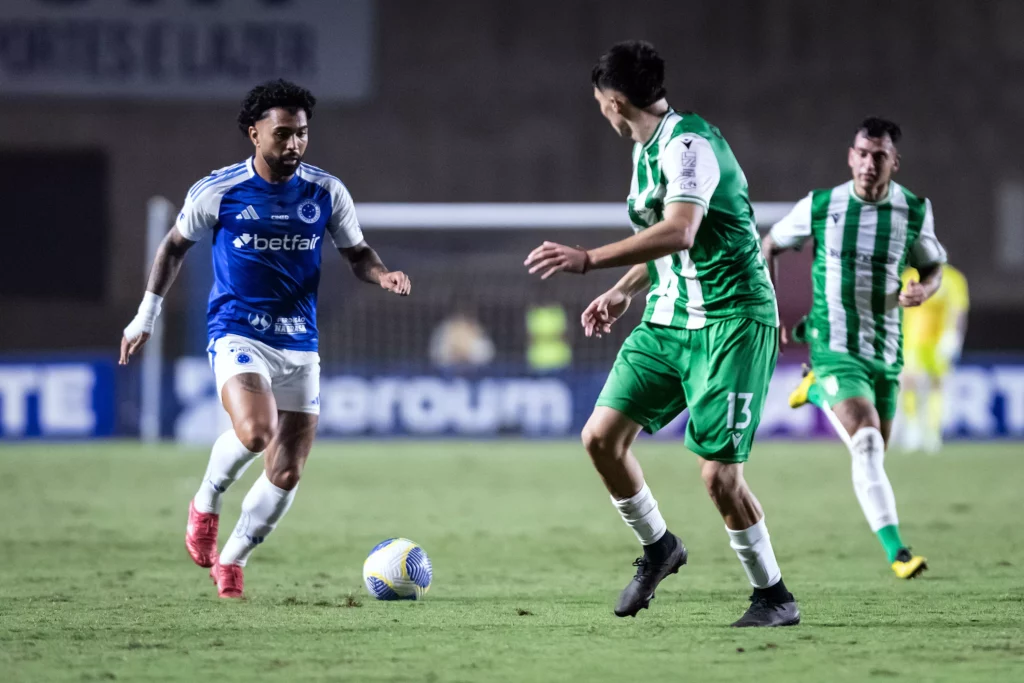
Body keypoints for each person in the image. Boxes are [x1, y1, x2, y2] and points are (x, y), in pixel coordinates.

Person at [525, 40, 799, 627]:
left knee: (719, 476)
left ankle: (774, 596)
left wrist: (588, 259)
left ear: (615, 101)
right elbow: (672, 247)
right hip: (670, 319)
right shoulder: (647, 147)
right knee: (600, 437)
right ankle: (659, 548)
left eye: (601, 102)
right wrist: (625, 288)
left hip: (732, 321)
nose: (600, 111)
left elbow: (680, 230)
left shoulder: (690, 146)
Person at [119, 79, 411, 598]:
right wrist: (146, 316)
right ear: (254, 133)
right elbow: (172, 249)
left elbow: (357, 253)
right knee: (256, 432)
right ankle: (207, 499)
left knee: (288, 470)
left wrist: (382, 274)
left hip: (300, 343)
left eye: (302, 134)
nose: (294, 144)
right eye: (283, 134)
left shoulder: (326, 191)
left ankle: (232, 561)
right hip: (238, 331)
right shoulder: (219, 190)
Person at [764, 117, 946, 580]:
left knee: (875, 451)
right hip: (833, 344)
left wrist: (925, 290)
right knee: (865, 444)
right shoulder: (822, 206)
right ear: (850, 156)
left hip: (885, 352)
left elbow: (933, 268)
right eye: (862, 154)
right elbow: (769, 246)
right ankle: (898, 553)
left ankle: (818, 391)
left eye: (879, 156)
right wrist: (768, 310)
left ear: (894, 163)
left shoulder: (914, 211)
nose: (869, 164)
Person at [899, 264, 969, 452]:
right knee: (909, 382)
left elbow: (958, 309)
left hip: (938, 341)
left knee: (937, 384)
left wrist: (954, 336)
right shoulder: (909, 276)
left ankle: (932, 431)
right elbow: (899, 309)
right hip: (912, 339)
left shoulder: (953, 278)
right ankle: (912, 427)